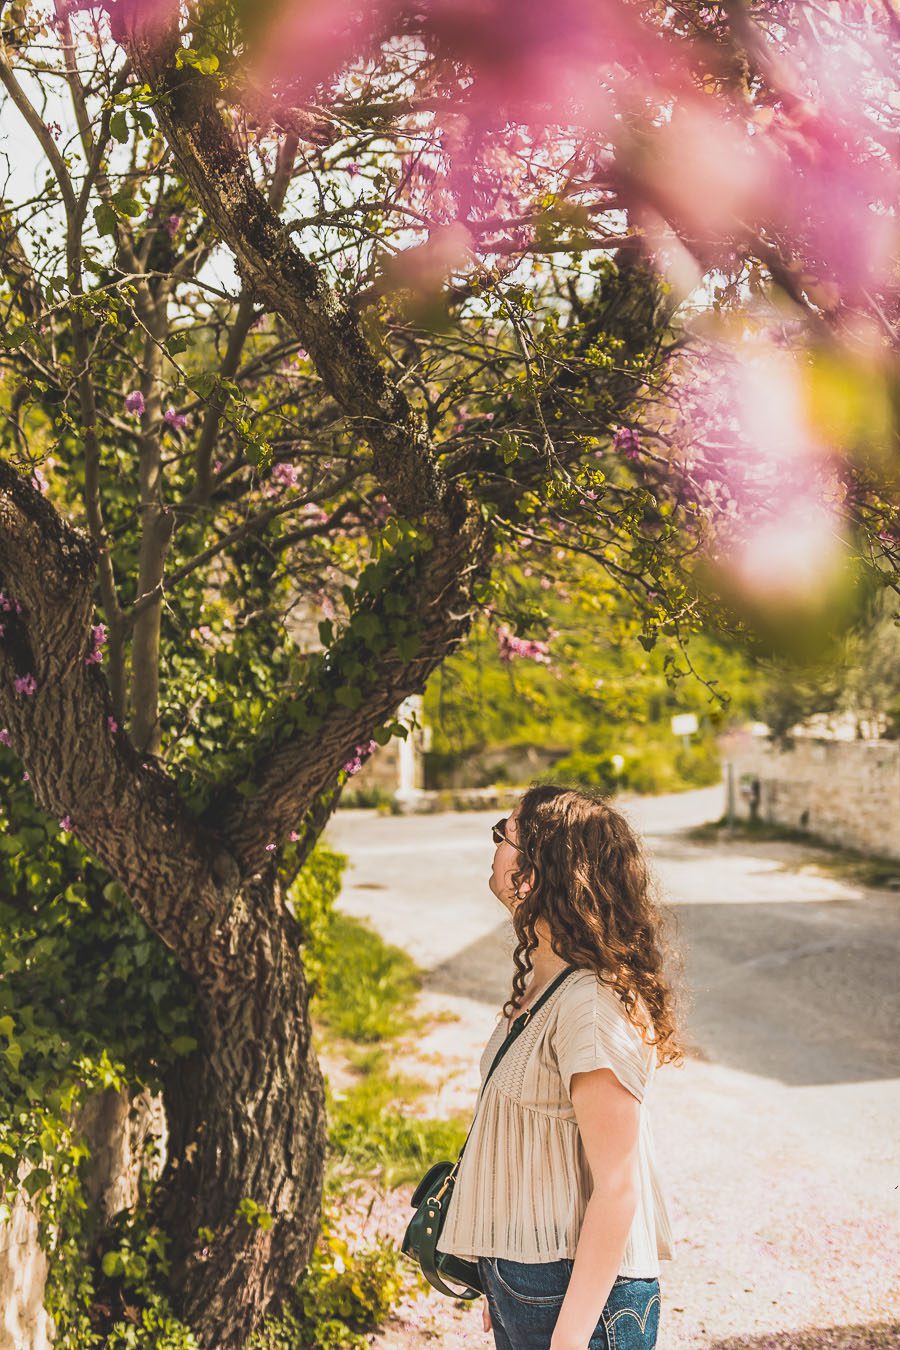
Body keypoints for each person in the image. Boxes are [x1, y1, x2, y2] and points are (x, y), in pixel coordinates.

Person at [436, 784, 682, 1350]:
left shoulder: (591, 1006)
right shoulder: (548, 980)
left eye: (505, 833)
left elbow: (617, 1186)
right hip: (534, 1280)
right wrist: (502, 1278)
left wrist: (567, 1334)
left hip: (576, 1295)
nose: (495, 845)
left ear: (544, 869)